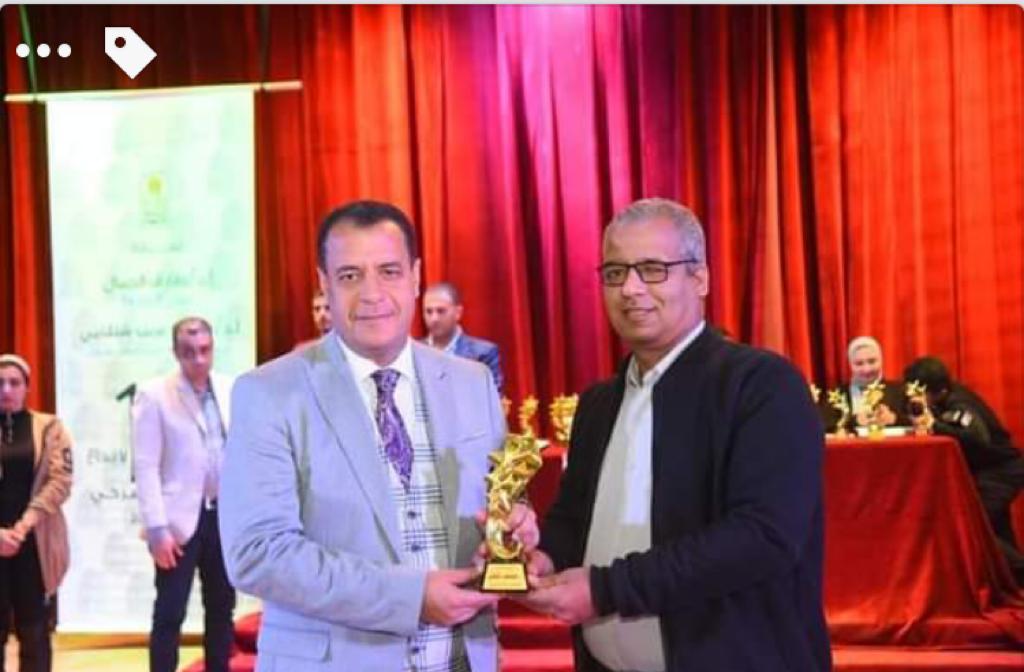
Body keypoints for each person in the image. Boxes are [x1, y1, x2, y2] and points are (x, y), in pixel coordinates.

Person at [218, 200, 537, 672]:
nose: (372, 294)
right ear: (324, 284)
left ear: (415, 276)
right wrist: (410, 597)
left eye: (389, 271)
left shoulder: (473, 382)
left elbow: (503, 502)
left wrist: (517, 526)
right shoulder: (269, 392)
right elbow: (257, 553)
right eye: (350, 276)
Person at [521, 198, 830, 671]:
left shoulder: (761, 385)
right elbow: (574, 520)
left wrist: (606, 589)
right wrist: (541, 556)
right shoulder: (599, 404)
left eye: (653, 269)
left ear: (700, 278)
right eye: (615, 273)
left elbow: (763, 536)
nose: (631, 289)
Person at [132, 318, 236, 672]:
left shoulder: (230, 388)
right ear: (175, 352)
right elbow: (145, 465)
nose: (199, 359)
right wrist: (156, 529)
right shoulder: (154, 394)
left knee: (221, 608)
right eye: (189, 352)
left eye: (205, 350)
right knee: (170, 612)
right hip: (176, 523)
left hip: (223, 516)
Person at [903, 356, 1024, 583]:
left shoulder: (961, 404)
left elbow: (978, 438)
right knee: (996, 528)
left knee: (974, 525)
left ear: (937, 391)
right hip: (989, 470)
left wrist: (935, 426)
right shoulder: (943, 398)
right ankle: (1011, 582)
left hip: (1001, 471)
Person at [0, 354, 72, 672]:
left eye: (14, 383)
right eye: (0, 383)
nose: (6, 389)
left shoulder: (50, 427)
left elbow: (61, 481)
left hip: (34, 542)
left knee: (34, 631)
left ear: (27, 387)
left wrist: (23, 527)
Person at [422, 282, 504, 391]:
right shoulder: (412, 351)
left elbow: (492, 396)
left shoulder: (482, 354)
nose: (434, 318)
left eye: (441, 311)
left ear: (458, 313)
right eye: (429, 312)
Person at [820, 336, 908, 433]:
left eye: (872, 361)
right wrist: (855, 421)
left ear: (881, 361)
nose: (866, 369)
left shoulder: (900, 391)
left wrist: (894, 419)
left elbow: (917, 421)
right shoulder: (836, 395)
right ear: (850, 365)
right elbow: (824, 425)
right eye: (859, 364)